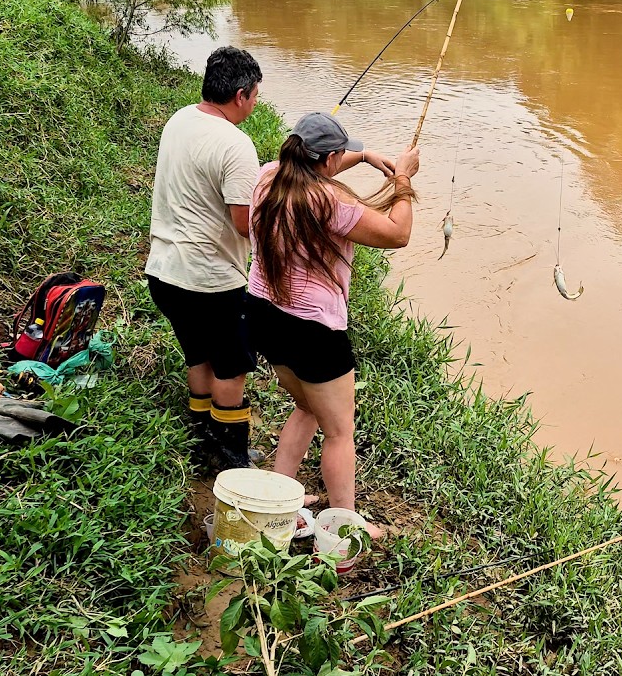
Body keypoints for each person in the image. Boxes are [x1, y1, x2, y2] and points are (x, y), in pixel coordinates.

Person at [248, 112, 419, 537]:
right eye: (341, 155)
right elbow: (397, 234)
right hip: (313, 331)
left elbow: (312, 170)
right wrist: (403, 179)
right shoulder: (331, 203)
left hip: (264, 314)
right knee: (340, 431)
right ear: (327, 160)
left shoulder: (268, 177)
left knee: (307, 406)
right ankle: (346, 525)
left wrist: (364, 156)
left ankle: (279, 501)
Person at [144, 46, 264, 471]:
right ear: (240, 95)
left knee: (200, 357)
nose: (255, 103)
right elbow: (245, 224)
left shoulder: (179, 119)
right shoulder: (236, 144)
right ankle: (231, 459)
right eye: (255, 96)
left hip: (164, 273)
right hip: (210, 282)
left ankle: (201, 442)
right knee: (231, 368)